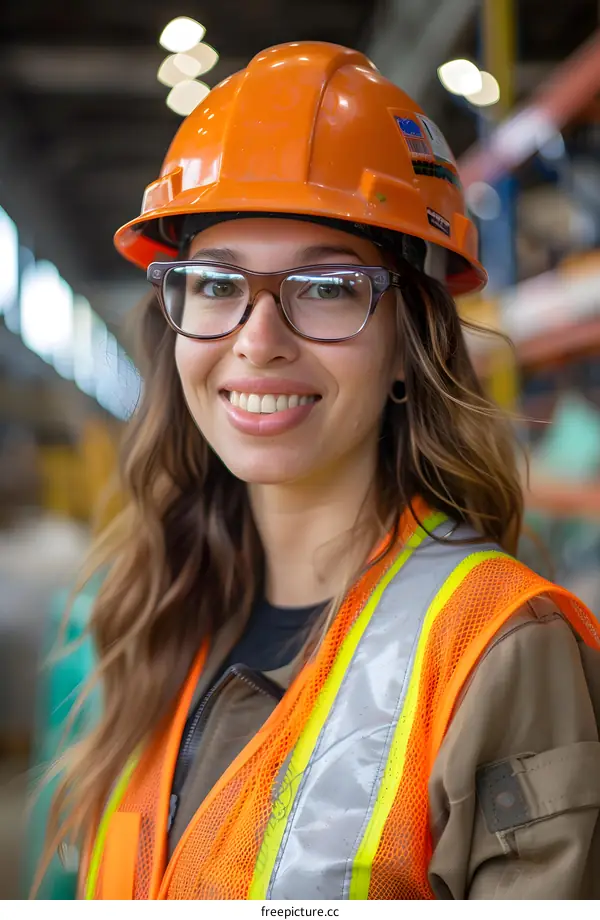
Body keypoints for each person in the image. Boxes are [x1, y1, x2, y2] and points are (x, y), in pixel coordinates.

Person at [45, 41, 600, 900]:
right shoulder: (159, 613)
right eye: (217, 285)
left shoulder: (499, 652)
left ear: (411, 346)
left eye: (327, 288)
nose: (257, 340)